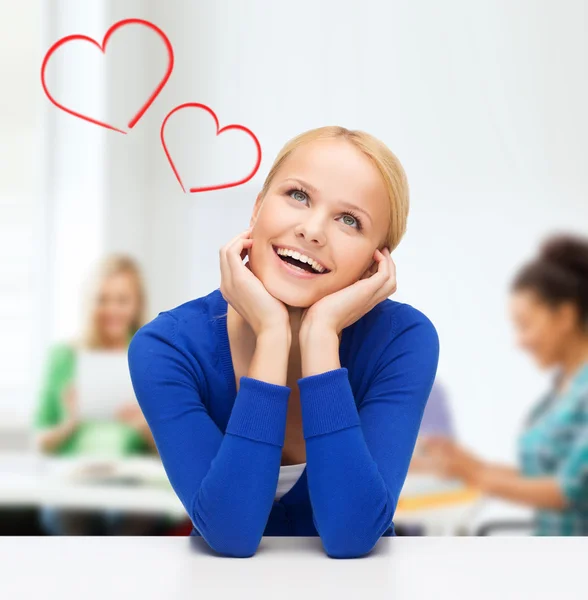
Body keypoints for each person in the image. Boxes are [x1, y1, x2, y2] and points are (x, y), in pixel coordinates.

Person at [128, 126, 440, 557]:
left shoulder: (401, 341)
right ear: (257, 209)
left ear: (375, 266)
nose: (312, 230)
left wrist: (320, 337)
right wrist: (273, 337)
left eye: (349, 221)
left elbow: (351, 536)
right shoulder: (167, 349)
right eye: (298, 195)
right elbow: (231, 534)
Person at [419, 234, 588, 535]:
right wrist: (467, 463)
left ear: (565, 316)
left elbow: (568, 491)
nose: (520, 341)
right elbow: (539, 475)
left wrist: (476, 474)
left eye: (526, 325)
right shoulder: (558, 394)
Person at [33, 254, 169, 535]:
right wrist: (69, 423)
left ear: (136, 304)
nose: (112, 309)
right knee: (71, 515)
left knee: (139, 515)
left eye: (122, 300)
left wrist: (144, 427)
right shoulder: (64, 357)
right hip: (74, 481)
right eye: (103, 299)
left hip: (136, 481)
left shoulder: (152, 357)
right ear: (90, 302)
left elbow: (173, 450)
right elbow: (41, 442)